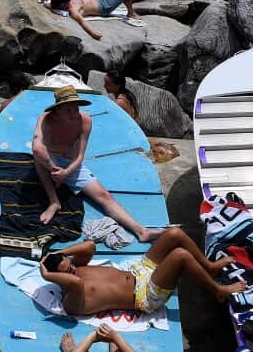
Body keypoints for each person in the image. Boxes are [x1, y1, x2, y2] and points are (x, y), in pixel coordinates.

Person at [33, 85, 159, 242]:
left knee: (104, 196)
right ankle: (54, 201)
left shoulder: (84, 121)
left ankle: (141, 231)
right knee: (37, 155)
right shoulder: (46, 119)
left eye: (75, 108)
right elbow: (37, 147)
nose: (74, 113)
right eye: (68, 110)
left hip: (70, 162)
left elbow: (80, 155)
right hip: (48, 159)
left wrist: (66, 172)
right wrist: (53, 169)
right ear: (58, 110)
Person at [39, 229, 245, 315]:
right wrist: (47, 276)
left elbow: (90, 246)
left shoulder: (77, 269)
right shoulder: (71, 299)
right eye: (68, 271)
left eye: (71, 265)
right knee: (179, 255)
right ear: (58, 279)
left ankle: (210, 268)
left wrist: (59, 253)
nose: (74, 269)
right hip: (145, 295)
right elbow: (74, 283)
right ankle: (218, 290)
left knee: (174, 234)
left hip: (140, 271)